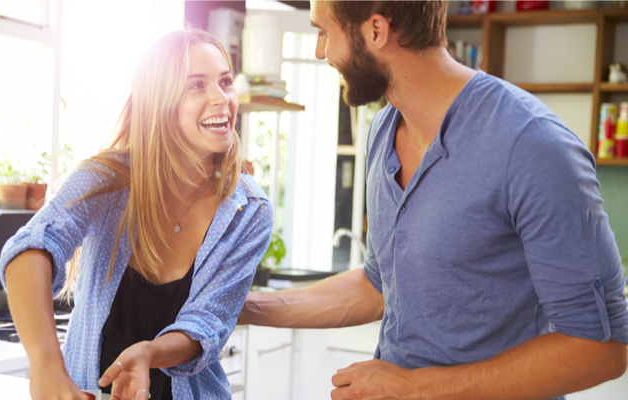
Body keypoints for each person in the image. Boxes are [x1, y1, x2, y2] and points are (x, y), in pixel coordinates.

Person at [238, 2, 628, 399]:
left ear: (375, 31)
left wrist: (413, 388)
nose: (321, 52)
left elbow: (601, 350)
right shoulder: (382, 132)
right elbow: (378, 286)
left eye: (324, 32)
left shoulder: (531, 144)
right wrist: (241, 305)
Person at [0, 29, 273, 400]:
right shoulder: (106, 181)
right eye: (196, 86)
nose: (220, 98)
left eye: (225, 81)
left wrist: (149, 353)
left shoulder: (248, 210)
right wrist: (46, 365)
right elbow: (30, 249)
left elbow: (207, 324)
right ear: (159, 102)